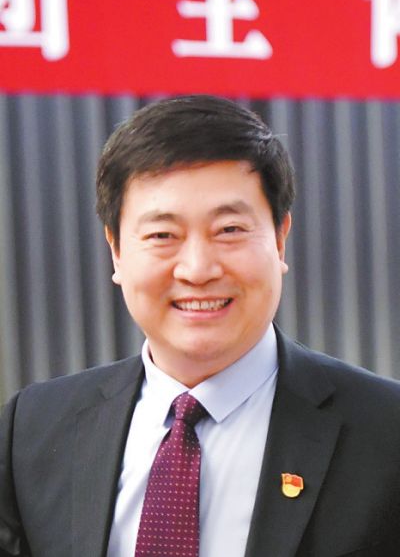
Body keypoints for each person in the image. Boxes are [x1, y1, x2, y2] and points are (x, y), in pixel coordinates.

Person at [1, 95, 400, 557]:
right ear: (116, 251)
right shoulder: (32, 428)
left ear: (280, 239)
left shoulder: (385, 431)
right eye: (162, 235)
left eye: (229, 230)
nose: (197, 269)